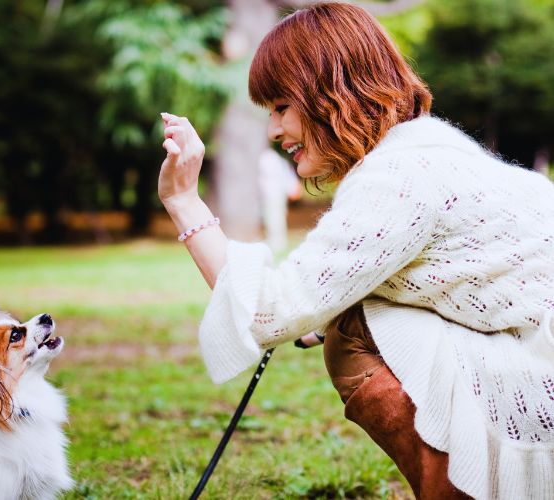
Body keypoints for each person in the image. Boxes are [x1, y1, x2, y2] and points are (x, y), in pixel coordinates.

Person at [157, 3, 554, 499]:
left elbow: (266, 312)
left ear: (329, 94)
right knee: (351, 313)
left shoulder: (398, 178)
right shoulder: (426, 149)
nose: (275, 132)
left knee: (351, 332)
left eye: (282, 107)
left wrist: (183, 201)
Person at [258, 147, 302, 253]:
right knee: (275, 216)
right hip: (276, 192)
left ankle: (277, 242)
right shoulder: (277, 159)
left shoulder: (267, 158)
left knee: (274, 217)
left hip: (272, 193)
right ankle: (277, 241)